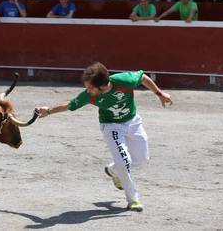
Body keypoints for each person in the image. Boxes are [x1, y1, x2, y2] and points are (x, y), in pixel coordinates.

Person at [36, 62, 173, 212]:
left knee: (142, 159)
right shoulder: (88, 95)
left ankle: (113, 170)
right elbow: (71, 105)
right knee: (124, 160)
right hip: (111, 126)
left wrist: (160, 94)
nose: (87, 90)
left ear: (102, 86)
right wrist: (48, 111)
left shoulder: (124, 81)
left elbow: (143, 77)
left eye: (90, 87)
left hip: (133, 121)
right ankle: (133, 199)